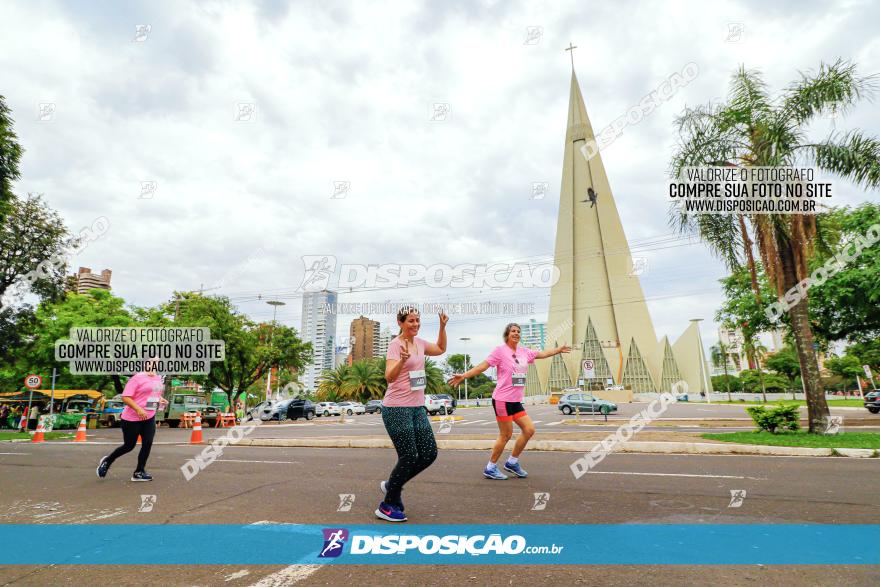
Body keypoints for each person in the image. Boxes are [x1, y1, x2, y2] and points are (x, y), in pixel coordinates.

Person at [449, 323, 570, 480]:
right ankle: (490, 467)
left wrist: (557, 350)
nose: (516, 333)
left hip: (515, 401)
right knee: (506, 434)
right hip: (502, 400)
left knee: (529, 430)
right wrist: (464, 375)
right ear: (507, 334)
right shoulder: (500, 351)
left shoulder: (524, 352)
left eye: (518, 331)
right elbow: (482, 366)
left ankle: (512, 462)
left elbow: (542, 354)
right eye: (513, 331)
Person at [376, 306, 448, 522]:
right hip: (396, 408)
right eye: (411, 321)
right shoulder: (395, 345)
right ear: (400, 323)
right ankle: (387, 504)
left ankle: (392, 484)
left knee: (429, 454)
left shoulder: (420, 343)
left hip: (417, 407)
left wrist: (442, 327)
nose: (415, 324)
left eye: (417, 320)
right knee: (409, 456)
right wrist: (403, 360)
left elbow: (441, 349)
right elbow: (389, 376)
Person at [97, 359, 168, 481]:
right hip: (131, 418)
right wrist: (138, 409)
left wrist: (161, 399)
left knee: (147, 443)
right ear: (146, 363)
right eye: (153, 362)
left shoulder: (158, 378)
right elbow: (126, 397)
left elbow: (153, 393)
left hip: (149, 416)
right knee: (129, 446)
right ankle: (107, 461)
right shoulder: (137, 378)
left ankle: (139, 472)